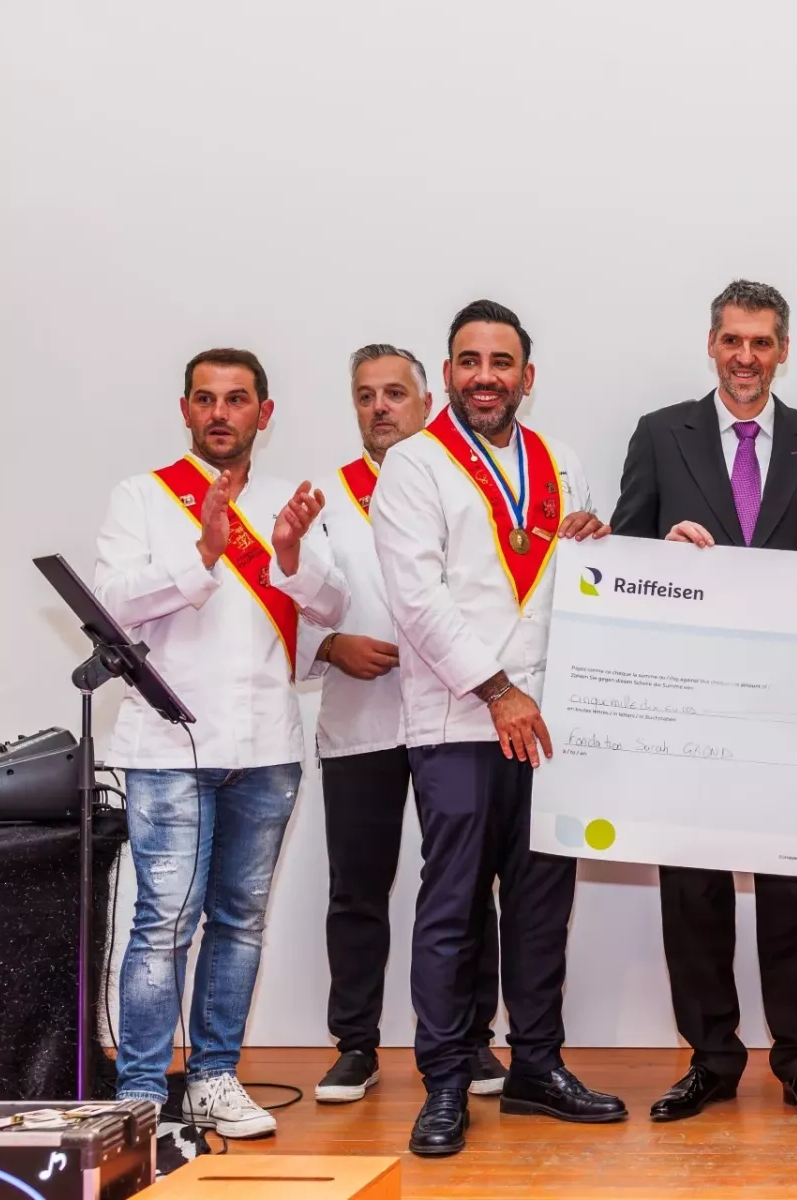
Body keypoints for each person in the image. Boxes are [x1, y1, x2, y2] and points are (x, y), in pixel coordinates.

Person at [371, 300, 623, 1157]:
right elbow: (418, 598)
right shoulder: (414, 463)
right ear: (448, 373)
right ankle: (445, 1082)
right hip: (460, 718)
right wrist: (496, 689)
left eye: (501, 362)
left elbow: (572, 582)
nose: (486, 377)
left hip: (548, 723)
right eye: (470, 362)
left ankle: (538, 1067)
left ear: (527, 376)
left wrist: (596, 543)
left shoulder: (563, 460)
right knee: (453, 907)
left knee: (543, 907)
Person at [610, 280, 797, 1126]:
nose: (746, 357)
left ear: (783, 351)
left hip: (792, 706)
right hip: (693, 704)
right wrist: (659, 549)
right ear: (711, 344)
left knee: (794, 892)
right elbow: (622, 555)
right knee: (694, 890)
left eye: (762, 342)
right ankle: (711, 1059)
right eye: (733, 340)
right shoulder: (659, 434)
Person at [95, 348, 348, 1138]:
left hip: (266, 746)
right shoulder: (142, 496)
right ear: (185, 410)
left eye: (237, 399)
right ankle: (140, 1094)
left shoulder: (290, 500)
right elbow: (112, 605)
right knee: (163, 924)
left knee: (240, 921)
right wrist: (203, 550)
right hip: (168, 749)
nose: (219, 413)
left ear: (263, 413)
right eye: (205, 398)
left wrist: (292, 555)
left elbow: (332, 605)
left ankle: (213, 1077)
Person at [301, 345, 505, 1105]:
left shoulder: (472, 482)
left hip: (455, 714)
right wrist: (329, 645)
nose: (380, 407)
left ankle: (472, 1040)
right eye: (366, 396)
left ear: (428, 400)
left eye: (394, 393)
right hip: (365, 720)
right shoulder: (324, 496)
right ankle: (355, 1044)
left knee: (467, 885)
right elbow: (292, 599)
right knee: (357, 886)